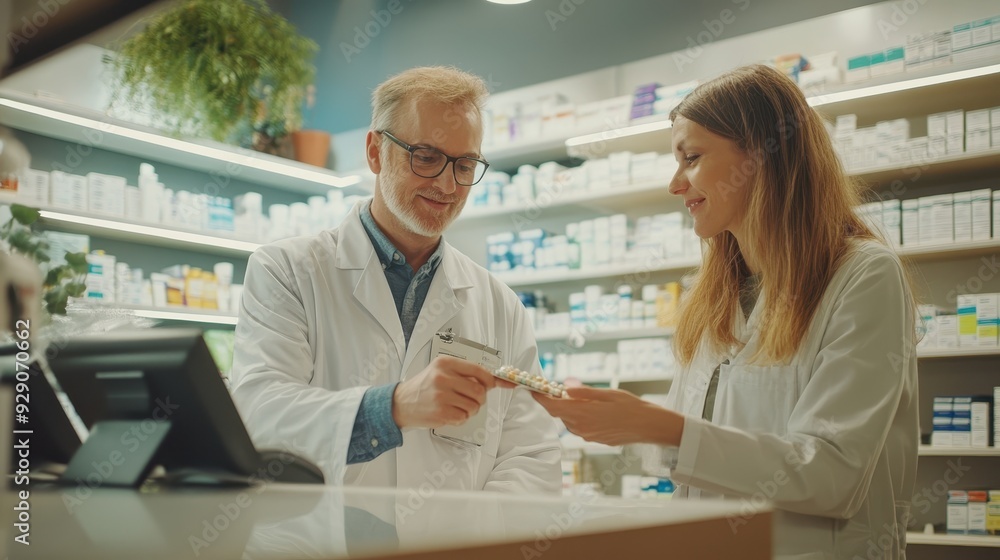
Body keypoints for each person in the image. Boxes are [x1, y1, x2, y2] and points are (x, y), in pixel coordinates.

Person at [533, 64, 918, 559]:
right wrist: (626, 425)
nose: (675, 184)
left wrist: (658, 426)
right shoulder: (714, 297)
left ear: (762, 156)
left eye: (691, 158)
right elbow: (695, 455)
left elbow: (832, 475)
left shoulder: (863, 276)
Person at [229, 66, 561, 493]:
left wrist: (476, 538)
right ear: (375, 152)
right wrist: (393, 407)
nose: (447, 184)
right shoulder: (287, 271)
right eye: (426, 157)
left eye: (466, 164)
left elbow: (531, 454)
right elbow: (261, 416)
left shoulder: (500, 304)